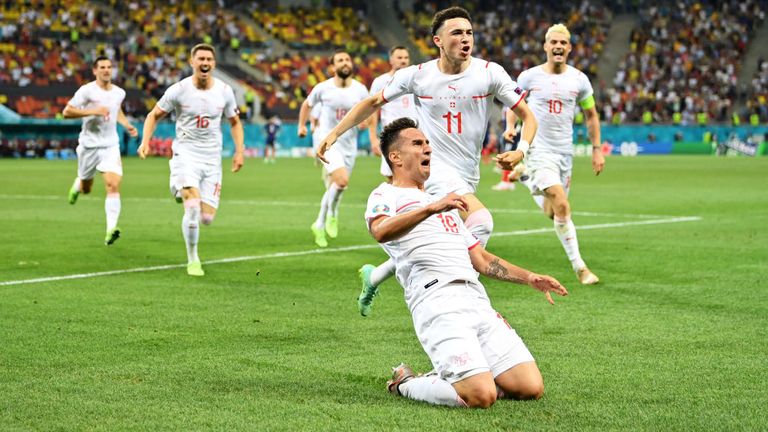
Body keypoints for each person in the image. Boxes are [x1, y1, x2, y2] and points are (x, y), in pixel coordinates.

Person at [316, 6, 537, 315]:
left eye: (469, 32)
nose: (465, 38)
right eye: (457, 33)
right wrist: (334, 134)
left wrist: (521, 150)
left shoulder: (490, 72)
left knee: (436, 234)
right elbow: (371, 102)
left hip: (466, 172)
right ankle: (458, 291)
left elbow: (528, 116)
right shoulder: (419, 75)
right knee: (481, 221)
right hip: (431, 167)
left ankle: (376, 275)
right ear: (438, 40)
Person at [366, 117, 568, 408]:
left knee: (530, 387)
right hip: (437, 301)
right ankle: (407, 383)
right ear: (395, 157)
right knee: (481, 397)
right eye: (418, 144)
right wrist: (430, 207)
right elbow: (381, 230)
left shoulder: (442, 203)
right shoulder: (386, 194)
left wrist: (530, 278)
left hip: (475, 298)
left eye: (427, 143)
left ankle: (465, 374)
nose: (427, 149)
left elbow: (482, 260)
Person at [509, 24, 605, 284]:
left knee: (554, 212)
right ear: (545, 46)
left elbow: (591, 115)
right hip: (538, 149)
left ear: (570, 47)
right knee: (562, 204)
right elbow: (513, 103)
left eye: (563, 43)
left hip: (565, 153)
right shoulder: (529, 77)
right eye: (554, 42)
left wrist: (597, 149)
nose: (558, 47)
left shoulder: (579, 79)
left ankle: (525, 178)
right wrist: (510, 127)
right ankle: (580, 267)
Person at [137, 44, 245, 276]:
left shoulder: (225, 91)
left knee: (206, 218)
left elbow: (235, 122)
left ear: (214, 64)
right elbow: (153, 115)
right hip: (186, 153)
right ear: (192, 62)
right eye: (200, 59)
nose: (205, 63)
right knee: (193, 207)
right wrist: (145, 141)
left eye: (209, 59)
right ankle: (193, 259)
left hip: (212, 158)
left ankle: (179, 188)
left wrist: (239, 151)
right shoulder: (179, 90)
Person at [297, 49, 369, 248]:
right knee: (342, 180)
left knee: (336, 186)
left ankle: (319, 223)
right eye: (340, 60)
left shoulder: (360, 89)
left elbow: (368, 110)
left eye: (347, 59)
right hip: (327, 140)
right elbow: (306, 105)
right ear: (333, 67)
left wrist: (365, 121)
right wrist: (301, 126)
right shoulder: (323, 88)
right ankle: (333, 213)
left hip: (349, 143)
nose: (345, 62)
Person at [63, 56, 138, 245]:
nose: (106, 70)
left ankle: (110, 228)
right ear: (95, 71)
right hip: (88, 146)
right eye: (102, 67)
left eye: (109, 67)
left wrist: (127, 124)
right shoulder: (86, 91)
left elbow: (116, 110)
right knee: (87, 188)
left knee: (112, 184)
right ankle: (78, 185)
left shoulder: (119, 92)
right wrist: (93, 111)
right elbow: (67, 112)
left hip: (110, 145)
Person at [367, 45, 418, 177]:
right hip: (392, 136)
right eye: (399, 57)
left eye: (406, 58)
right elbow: (372, 110)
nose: (403, 60)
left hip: (415, 135)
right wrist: (373, 138)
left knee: (417, 176)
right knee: (392, 176)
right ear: (391, 60)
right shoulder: (380, 82)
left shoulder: (416, 80)